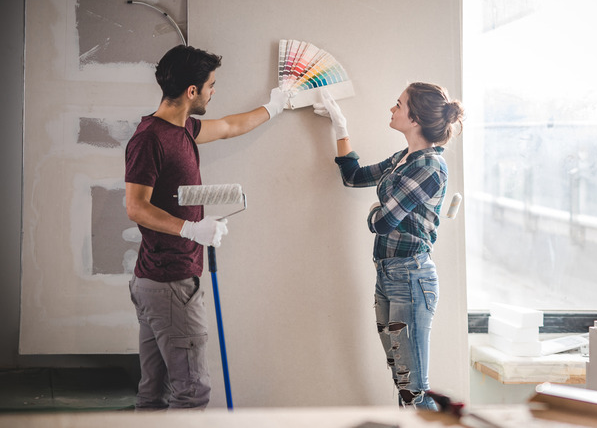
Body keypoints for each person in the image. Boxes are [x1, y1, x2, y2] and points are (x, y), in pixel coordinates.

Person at [124, 44, 288, 410]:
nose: (215, 91)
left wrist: (277, 105)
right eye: (211, 85)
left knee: (154, 395)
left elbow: (230, 126)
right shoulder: (150, 138)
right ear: (192, 91)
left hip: (158, 281)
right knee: (192, 393)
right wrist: (190, 230)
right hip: (170, 284)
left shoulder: (182, 129)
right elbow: (135, 206)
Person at [313, 82, 465, 410]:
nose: (391, 109)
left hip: (411, 278)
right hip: (387, 275)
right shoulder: (403, 158)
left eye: (398, 104)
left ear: (415, 119)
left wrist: (373, 214)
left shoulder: (429, 167)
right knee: (403, 381)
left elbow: (383, 222)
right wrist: (340, 126)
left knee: (414, 390)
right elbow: (352, 176)